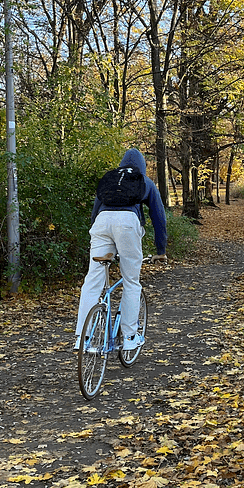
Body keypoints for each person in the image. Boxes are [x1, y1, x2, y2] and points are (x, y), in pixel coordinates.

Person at [74, 148, 167, 361]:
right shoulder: (145, 181)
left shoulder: (111, 179)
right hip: (127, 224)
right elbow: (159, 218)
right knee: (131, 281)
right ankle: (129, 337)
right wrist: (160, 250)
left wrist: (102, 239)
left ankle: (81, 336)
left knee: (92, 280)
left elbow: (95, 213)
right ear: (142, 166)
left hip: (101, 224)